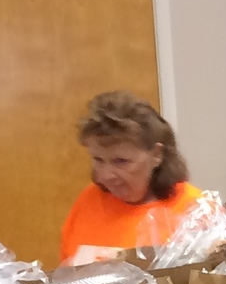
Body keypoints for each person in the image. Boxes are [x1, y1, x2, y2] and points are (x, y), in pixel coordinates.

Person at [58, 90, 205, 264]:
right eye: (98, 159)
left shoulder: (195, 210)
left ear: (156, 155)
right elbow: (65, 276)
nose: (105, 175)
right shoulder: (88, 201)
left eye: (121, 161)